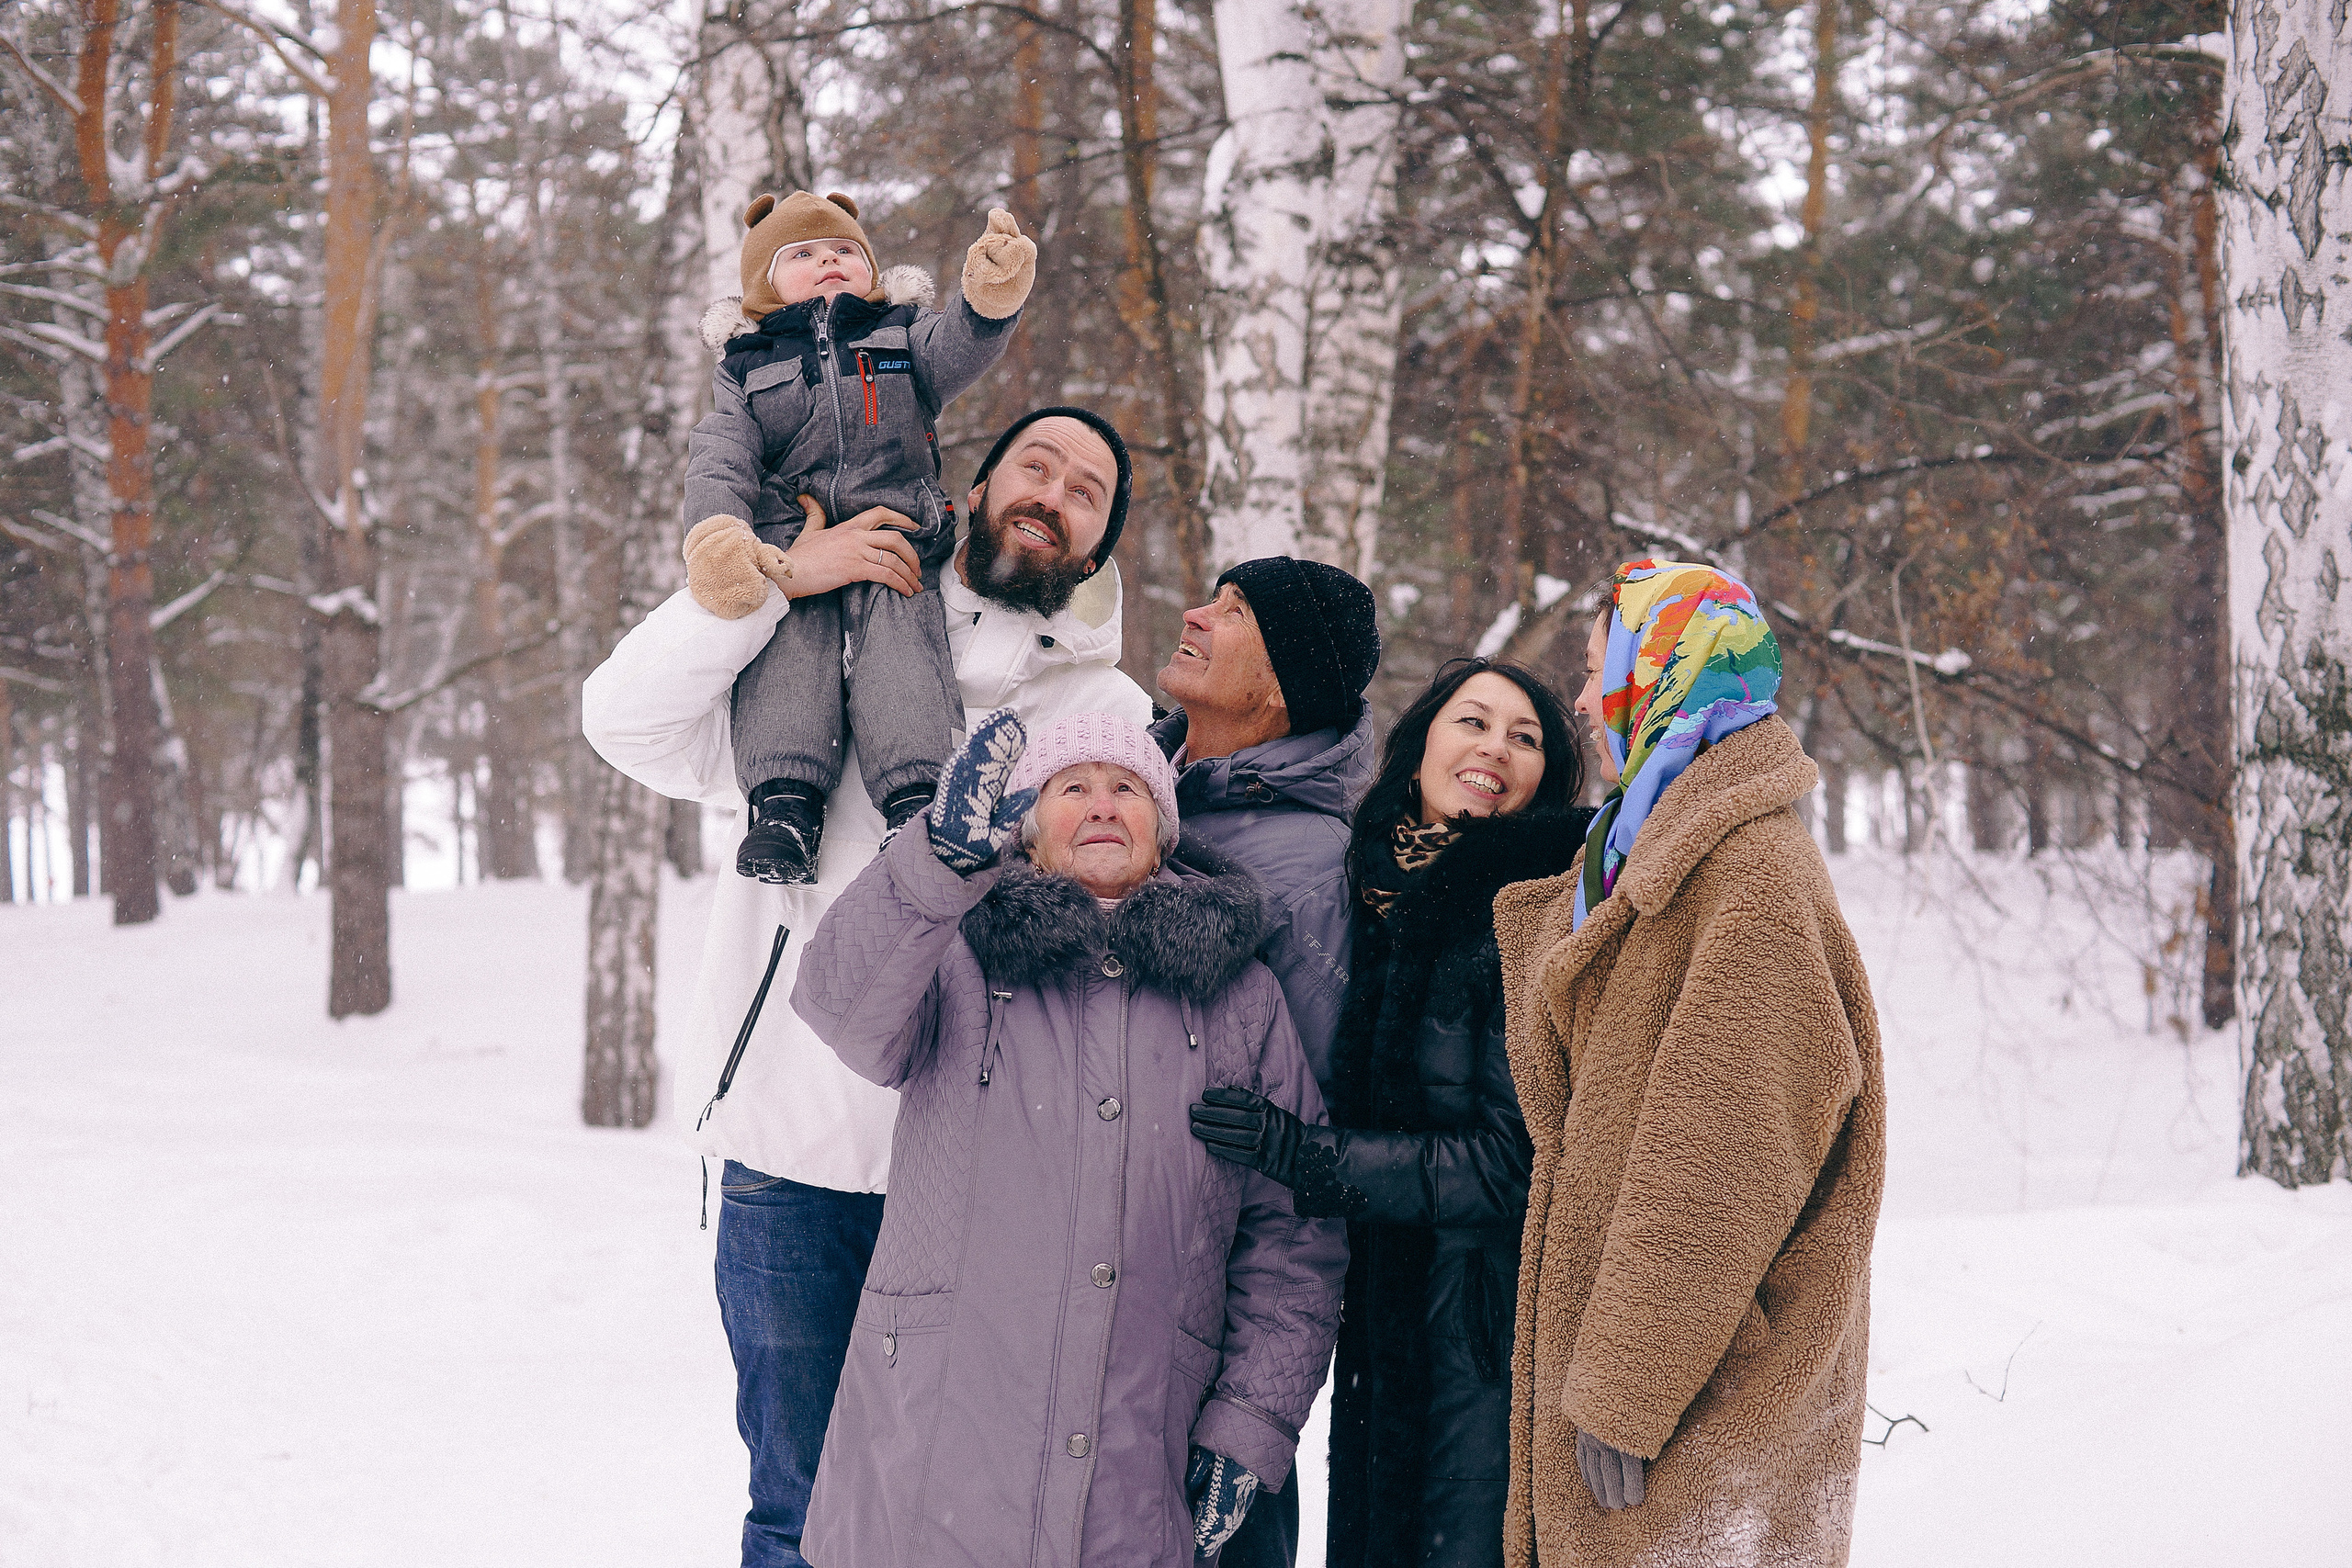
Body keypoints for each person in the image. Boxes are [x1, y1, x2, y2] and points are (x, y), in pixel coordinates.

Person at [581, 407, 1148, 1568]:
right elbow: (625, 723)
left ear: (1095, 549)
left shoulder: (1113, 722)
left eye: (1086, 489)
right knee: (799, 1512)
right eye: (1032, 466)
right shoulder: (824, 625)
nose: (1052, 492)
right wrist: (778, 578)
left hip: (986, 1178)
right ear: (975, 491)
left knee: (962, 1520)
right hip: (789, 1156)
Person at [790, 710, 1348, 1567]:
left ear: (1162, 832)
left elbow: (1295, 1232)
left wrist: (1252, 1419)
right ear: (1030, 828)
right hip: (941, 1441)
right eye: (1070, 787)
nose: (1101, 804)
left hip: (1135, 1454)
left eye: (1127, 787)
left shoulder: (1242, 994)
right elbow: (837, 1003)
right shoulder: (955, 950)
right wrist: (938, 862)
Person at [1490, 560, 1887, 1566]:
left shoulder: (1750, 873)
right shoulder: (1653, 851)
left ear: (1666, 673)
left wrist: (1628, 1384)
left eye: (1598, 669)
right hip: (1675, 1387)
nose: (1579, 700)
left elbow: (1724, 1160)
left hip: (1702, 1402)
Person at [1188, 658, 1589, 1568]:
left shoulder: (1530, 911)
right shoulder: (1376, 896)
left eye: (1524, 738)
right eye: (1472, 722)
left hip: (1485, 1328)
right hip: (1383, 1311)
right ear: (1419, 752)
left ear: (1544, 782)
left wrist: (1311, 1157)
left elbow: (1512, 1161)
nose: (1494, 747)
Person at [680, 188, 1040, 883]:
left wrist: (989, 298)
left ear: (870, 268)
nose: (829, 263)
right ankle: (785, 805)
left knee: (903, 658)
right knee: (786, 655)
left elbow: (959, 347)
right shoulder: (747, 367)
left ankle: (916, 804)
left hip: (895, 538)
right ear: (764, 286)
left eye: (844, 250)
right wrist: (718, 534)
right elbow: (721, 452)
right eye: (804, 255)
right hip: (795, 546)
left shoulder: (899, 334)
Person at [1152, 556, 1379, 1568]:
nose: (1197, 613)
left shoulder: (1312, 873)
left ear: (1284, 686)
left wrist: (1253, 1408)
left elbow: (1308, 1169)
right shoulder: (1127, 793)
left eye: (1234, 613)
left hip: (1206, 1356)